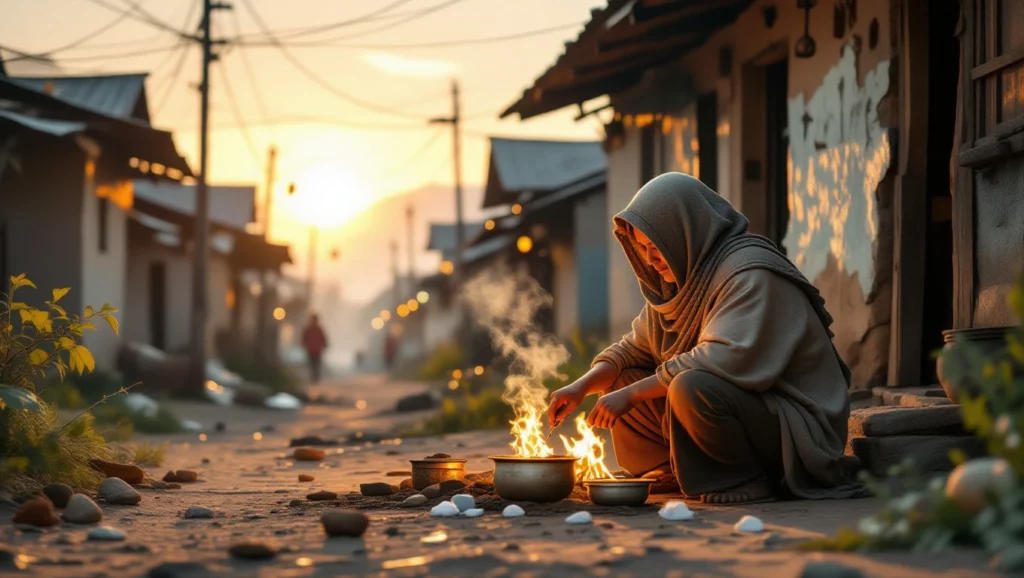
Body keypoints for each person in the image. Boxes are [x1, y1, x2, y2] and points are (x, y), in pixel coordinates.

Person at [548, 172, 864, 504]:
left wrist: (632, 395)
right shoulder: (685, 279)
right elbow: (632, 349)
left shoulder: (751, 272)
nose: (651, 260)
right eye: (642, 248)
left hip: (793, 427)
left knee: (689, 386)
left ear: (684, 232)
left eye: (656, 246)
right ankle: (668, 469)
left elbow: (721, 359)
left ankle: (744, 479)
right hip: (741, 409)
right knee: (622, 379)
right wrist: (580, 387)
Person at [301, 313, 328, 383]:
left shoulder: (311, 328)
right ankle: (315, 378)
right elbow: (324, 338)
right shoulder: (316, 328)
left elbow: (323, 338)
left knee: (314, 364)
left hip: (314, 350)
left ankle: (314, 378)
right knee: (315, 364)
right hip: (314, 350)